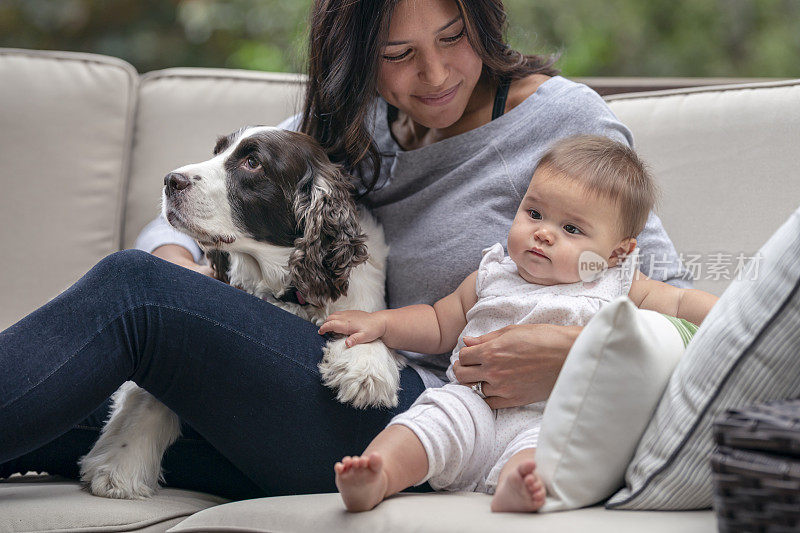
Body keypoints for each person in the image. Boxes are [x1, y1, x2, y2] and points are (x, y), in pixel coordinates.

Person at [0, 0, 692, 499]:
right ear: (361, 60)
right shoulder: (347, 122)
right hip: (304, 401)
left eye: (454, 36)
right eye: (398, 55)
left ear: (484, 21)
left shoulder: (565, 122)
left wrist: (574, 357)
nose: (437, 73)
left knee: (133, 293)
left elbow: (683, 312)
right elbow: (181, 214)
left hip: (422, 415)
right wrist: (186, 270)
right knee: (72, 392)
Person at [319, 135, 718, 512]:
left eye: (572, 229)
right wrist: (382, 324)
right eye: (534, 213)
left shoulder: (618, 282)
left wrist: (731, 309)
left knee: (545, 451)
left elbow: (681, 301)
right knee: (431, 416)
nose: (543, 233)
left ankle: (517, 486)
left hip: (547, 416)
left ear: (617, 252)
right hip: (472, 401)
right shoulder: (494, 272)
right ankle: (379, 472)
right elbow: (439, 322)